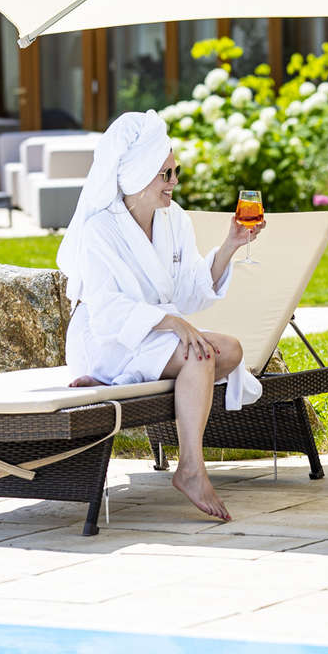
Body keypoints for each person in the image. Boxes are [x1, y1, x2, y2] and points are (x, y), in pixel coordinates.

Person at [57, 110, 264, 523]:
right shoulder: (100, 229)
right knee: (201, 355)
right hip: (105, 340)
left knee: (232, 350)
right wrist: (172, 323)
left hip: (152, 339)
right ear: (137, 175)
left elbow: (188, 290)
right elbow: (106, 308)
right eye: (165, 174)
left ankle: (127, 381)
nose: (174, 182)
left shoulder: (175, 220)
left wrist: (229, 246)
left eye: (175, 171)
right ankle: (191, 468)